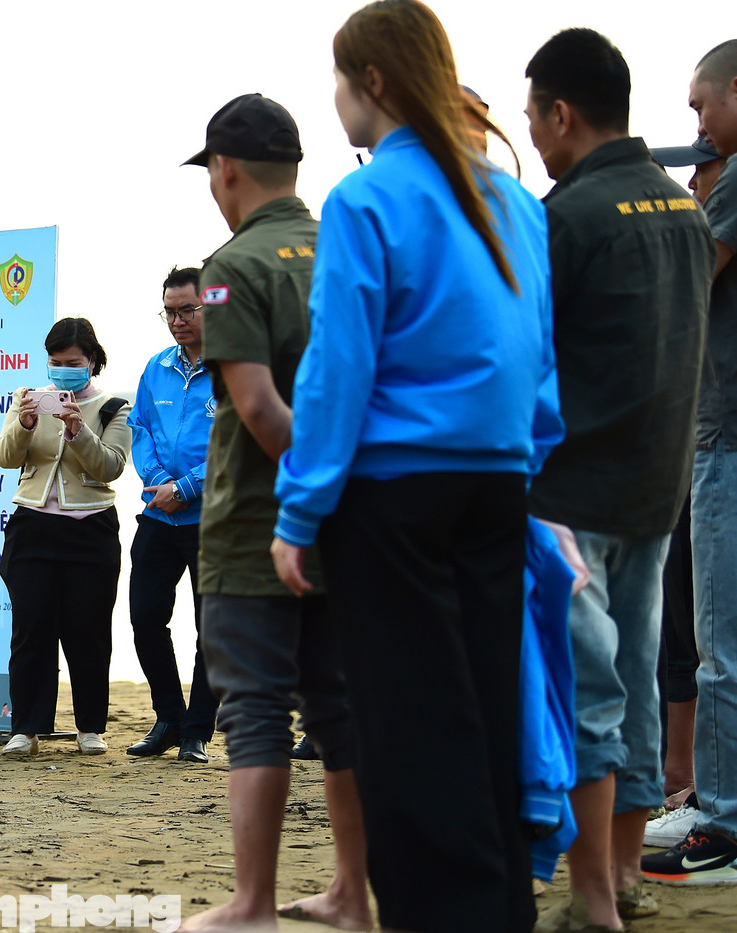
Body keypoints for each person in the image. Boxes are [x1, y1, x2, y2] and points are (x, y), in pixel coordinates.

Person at [271, 3, 562, 930]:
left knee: (406, 730)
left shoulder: (364, 199)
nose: (336, 98)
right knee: (489, 712)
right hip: (497, 485)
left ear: (374, 81)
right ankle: (500, 910)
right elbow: (537, 356)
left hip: (391, 497)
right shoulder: (513, 201)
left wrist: (299, 510)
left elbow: (337, 369)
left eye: (340, 78)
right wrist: (529, 467)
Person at [522, 28, 714, 927]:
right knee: (634, 678)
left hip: (575, 493)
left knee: (587, 688)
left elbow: (526, 356)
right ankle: (626, 872)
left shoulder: (566, 216)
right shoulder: (683, 207)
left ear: (561, 113)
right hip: (659, 486)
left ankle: (594, 894)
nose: (532, 133)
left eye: (533, 115)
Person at [180, 92, 370, 932]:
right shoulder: (348, 246)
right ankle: (352, 890)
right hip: (353, 524)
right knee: (340, 709)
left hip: (258, 524)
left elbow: (258, 411)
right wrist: (349, 480)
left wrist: (314, 477)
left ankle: (252, 901)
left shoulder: (233, 265)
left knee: (255, 708)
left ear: (224, 169)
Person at [643, 39, 737, 887]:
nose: (698, 128)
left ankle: (721, 822)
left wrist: (688, 208)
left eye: (701, 107)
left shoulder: (735, 179)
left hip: (724, 439)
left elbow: (688, 281)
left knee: (717, 645)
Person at [0, 318, 132, 756]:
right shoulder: (27, 398)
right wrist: (25, 423)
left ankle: (90, 727)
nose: (63, 370)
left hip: (91, 529)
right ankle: (26, 729)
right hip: (32, 526)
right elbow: (4, 456)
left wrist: (78, 430)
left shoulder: (113, 407)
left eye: (73, 363)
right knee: (30, 629)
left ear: (92, 361)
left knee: (88, 630)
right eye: (56, 362)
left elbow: (111, 466)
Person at [125, 266, 218, 764]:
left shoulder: (236, 367)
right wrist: (161, 483)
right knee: (145, 618)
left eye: (188, 310)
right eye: (169, 312)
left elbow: (240, 442)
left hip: (214, 519)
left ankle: (197, 731)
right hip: (159, 517)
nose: (178, 321)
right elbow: (140, 428)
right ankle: (169, 718)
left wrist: (185, 487)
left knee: (213, 629)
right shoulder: (156, 367)